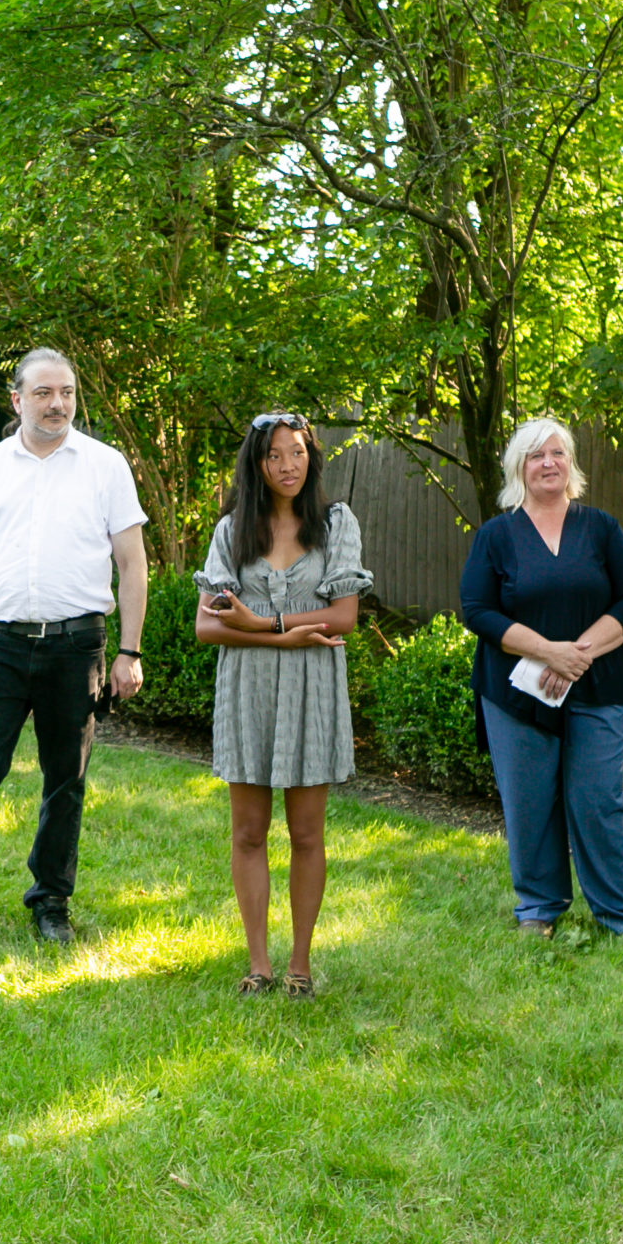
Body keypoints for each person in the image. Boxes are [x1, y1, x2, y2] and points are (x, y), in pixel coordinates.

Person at [0, 348, 148, 942]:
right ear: (16, 400)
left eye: (68, 393)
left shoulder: (106, 466)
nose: (58, 404)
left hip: (76, 648)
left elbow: (132, 564)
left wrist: (128, 652)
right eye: (43, 393)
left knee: (65, 781)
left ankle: (50, 902)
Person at [193, 413, 372, 996]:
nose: (287, 466)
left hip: (312, 689)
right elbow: (207, 627)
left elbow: (344, 616)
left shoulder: (335, 524)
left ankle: (299, 966)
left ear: (311, 456)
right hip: (247, 689)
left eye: (296, 453)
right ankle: (258, 966)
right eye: (274, 456)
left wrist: (263, 621)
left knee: (307, 834)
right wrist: (279, 635)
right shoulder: (231, 532)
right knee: (247, 833)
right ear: (257, 464)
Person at [459, 419, 623, 945]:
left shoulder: (602, 528)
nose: (548, 463)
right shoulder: (496, 536)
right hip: (516, 689)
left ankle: (619, 916)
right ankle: (538, 910)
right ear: (518, 468)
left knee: (597, 799)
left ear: (571, 465)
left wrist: (576, 655)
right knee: (528, 801)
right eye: (536, 455)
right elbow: (476, 610)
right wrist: (546, 652)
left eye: (558, 453)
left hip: (598, 683)